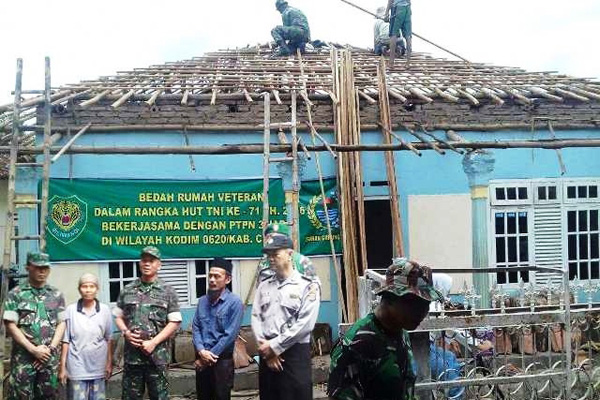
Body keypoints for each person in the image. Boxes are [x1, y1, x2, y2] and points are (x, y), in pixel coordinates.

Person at [327, 258, 443, 400]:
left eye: (426, 304)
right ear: (390, 298)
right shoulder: (357, 345)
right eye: (414, 303)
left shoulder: (400, 333)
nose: (422, 312)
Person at [251, 234, 321, 400]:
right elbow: (256, 316)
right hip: (267, 355)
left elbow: (305, 324)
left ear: (290, 254)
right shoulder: (264, 285)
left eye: (276, 254)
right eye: (269, 255)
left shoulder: (307, 286)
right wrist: (265, 347)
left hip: (294, 355)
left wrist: (275, 346)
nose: (271, 259)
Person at [113, 246, 182, 400]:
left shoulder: (168, 291)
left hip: (157, 359)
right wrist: (126, 332)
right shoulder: (128, 289)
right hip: (132, 359)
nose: (147, 264)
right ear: (139, 263)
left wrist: (153, 342)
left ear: (159, 264)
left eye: (151, 261)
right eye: (144, 260)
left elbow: (174, 322)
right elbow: (118, 316)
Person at [3, 252, 66, 400]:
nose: (42, 271)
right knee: (21, 396)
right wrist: (33, 350)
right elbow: (10, 325)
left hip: (48, 360)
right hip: (24, 360)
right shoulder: (16, 294)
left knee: (49, 396)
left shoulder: (57, 295)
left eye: (45, 268)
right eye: (38, 267)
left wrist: (49, 350)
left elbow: (61, 323)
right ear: (28, 268)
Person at [192, 257, 244, 400]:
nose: (212, 280)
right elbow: (196, 327)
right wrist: (201, 351)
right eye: (210, 276)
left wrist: (208, 357)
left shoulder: (235, 303)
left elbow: (230, 335)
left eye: (217, 276)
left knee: (221, 396)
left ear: (227, 279)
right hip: (202, 357)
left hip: (221, 361)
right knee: (203, 395)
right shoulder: (202, 301)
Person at [58, 273, 113, 400]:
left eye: (92, 286)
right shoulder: (71, 310)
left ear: (97, 289)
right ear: (79, 289)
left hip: (99, 366)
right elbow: (66, 341)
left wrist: (109, 363)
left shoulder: (104, 310)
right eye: (84, 286)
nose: (88, 290)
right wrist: (62, 368)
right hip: (77, 366)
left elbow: (109, 338)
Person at [385, 0, 412, 64]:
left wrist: (386, 13)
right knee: (408, 35)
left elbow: (390, 1)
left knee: (393, 34)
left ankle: (391, 62)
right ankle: (408, 62)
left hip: (397, 9)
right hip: (407, 8)